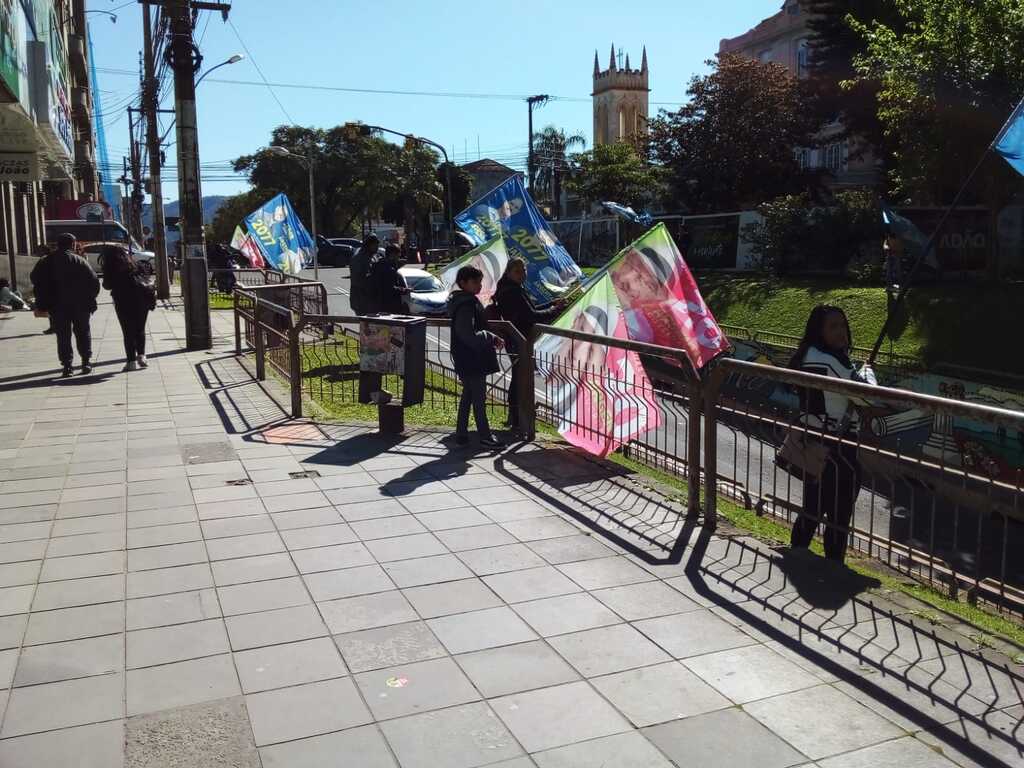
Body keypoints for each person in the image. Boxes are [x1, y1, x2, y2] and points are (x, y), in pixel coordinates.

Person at [787, 305, 877, 563]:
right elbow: (866, 397)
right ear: (820, 331)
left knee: (814, 504)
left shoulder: (808, 354)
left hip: (812, 439)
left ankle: (799, 549)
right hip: (838, 444)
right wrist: (869, 372)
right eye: (833, 326)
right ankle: (834, 562)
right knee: (839, 510)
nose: (841, 332)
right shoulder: (832, 360)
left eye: (842, 325)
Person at [492, 257, 564, 432]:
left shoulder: (511, 288)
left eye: (524, 270)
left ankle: (516, 419)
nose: (522, 274)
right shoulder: (511, 291)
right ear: (509, 272)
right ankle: (519, 420)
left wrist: (550, 305)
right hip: (518, 339)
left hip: (517, 339)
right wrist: (554, 310)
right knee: (521, 381)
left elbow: (529, 309)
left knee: (519, 379)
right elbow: (531, 316)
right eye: (518, 271)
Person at [448, 265, 505, 448]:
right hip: (472, 356)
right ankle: (485, 436)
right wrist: (490, 336)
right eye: (475, 282)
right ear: (463, 283)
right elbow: (468, 334)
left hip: (464, 355)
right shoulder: (467, 304)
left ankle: (462, 433)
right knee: (479, 399)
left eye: (480, 282)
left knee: (468, 396)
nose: (479, 286)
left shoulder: (461, 301)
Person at [31, 233, 100, 377]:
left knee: (63, 335)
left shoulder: (46, 261)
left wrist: (44, 300)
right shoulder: (80, 261)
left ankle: (67, 365)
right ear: (72, 244)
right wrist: (90, 299)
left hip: (57, 305)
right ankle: (86, 362)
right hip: (80, 305)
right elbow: (94, 282)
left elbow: (35, 278)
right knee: (83, 332)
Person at [102, 246, 156, 371]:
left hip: (123, 301)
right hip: (141, 300)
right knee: (140, 328)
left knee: (127, 331)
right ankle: (142, 356)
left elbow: (107, 286)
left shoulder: (112, 268)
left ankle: (131, 362)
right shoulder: (135, 265)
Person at [370, 243, 410, 314]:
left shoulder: (377, 265)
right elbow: (390, 288)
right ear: (393, 254)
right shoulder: (389, 269)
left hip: (376, 304)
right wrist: (405, 290)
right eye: (398, 255)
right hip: (389, 307)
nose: (399, 257)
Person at [349, 233, 380, 315]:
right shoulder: (359, 258)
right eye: (374, 244)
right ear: (368, 245)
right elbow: (358, 280)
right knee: (365, 325)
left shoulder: (373, 256)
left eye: (377, 244)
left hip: (372, 300)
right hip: (362, 301)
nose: (377, 247)